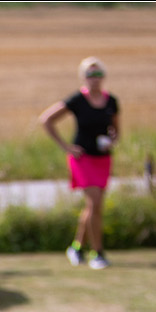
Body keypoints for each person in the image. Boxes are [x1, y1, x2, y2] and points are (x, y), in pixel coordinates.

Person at [39, 57, 120, 269]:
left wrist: (112, 140)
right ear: (83, 77)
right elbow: (46, 119)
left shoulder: (111, 101)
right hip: (82, 158)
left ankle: (76, 247)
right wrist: (66, 147)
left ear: (103, 76)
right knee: (94, 204)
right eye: (90, 74)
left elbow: (116, 130)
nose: (94, 78)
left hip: (103, 158)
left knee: (94, 207)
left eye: (98, 74)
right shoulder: (77, 100)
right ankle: (98, 253)